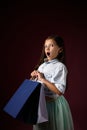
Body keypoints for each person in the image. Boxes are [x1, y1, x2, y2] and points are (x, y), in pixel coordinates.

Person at [30, 35, 74, 130]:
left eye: (51, 45)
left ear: (60, 50)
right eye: (46, 46)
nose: (47, 48)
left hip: (54, 106)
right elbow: (37, 86)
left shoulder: (60, 67)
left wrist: (43, 79)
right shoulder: (41, 66)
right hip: (41, 105)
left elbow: (59, 91)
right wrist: (33, 78)